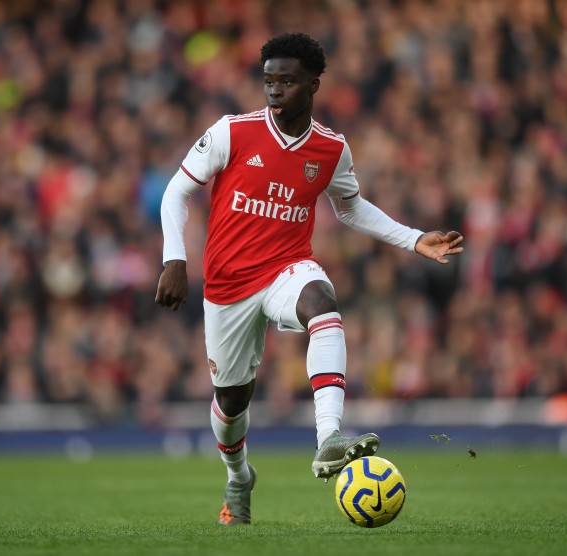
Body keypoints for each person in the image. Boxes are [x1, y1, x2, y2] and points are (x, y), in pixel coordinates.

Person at [156, 32, 464, 525]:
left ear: (313, 84)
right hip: (228, 286)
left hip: (286, 268)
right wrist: (175, 259)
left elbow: (351, 208)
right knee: (231, 403)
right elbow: (176, 191)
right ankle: (238, 476)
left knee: (323, 301)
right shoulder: (232, 132)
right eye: (268, 81)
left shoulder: (330, 148)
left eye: (287, 81)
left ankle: (328, 438)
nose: (275, 90)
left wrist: (413, 239)